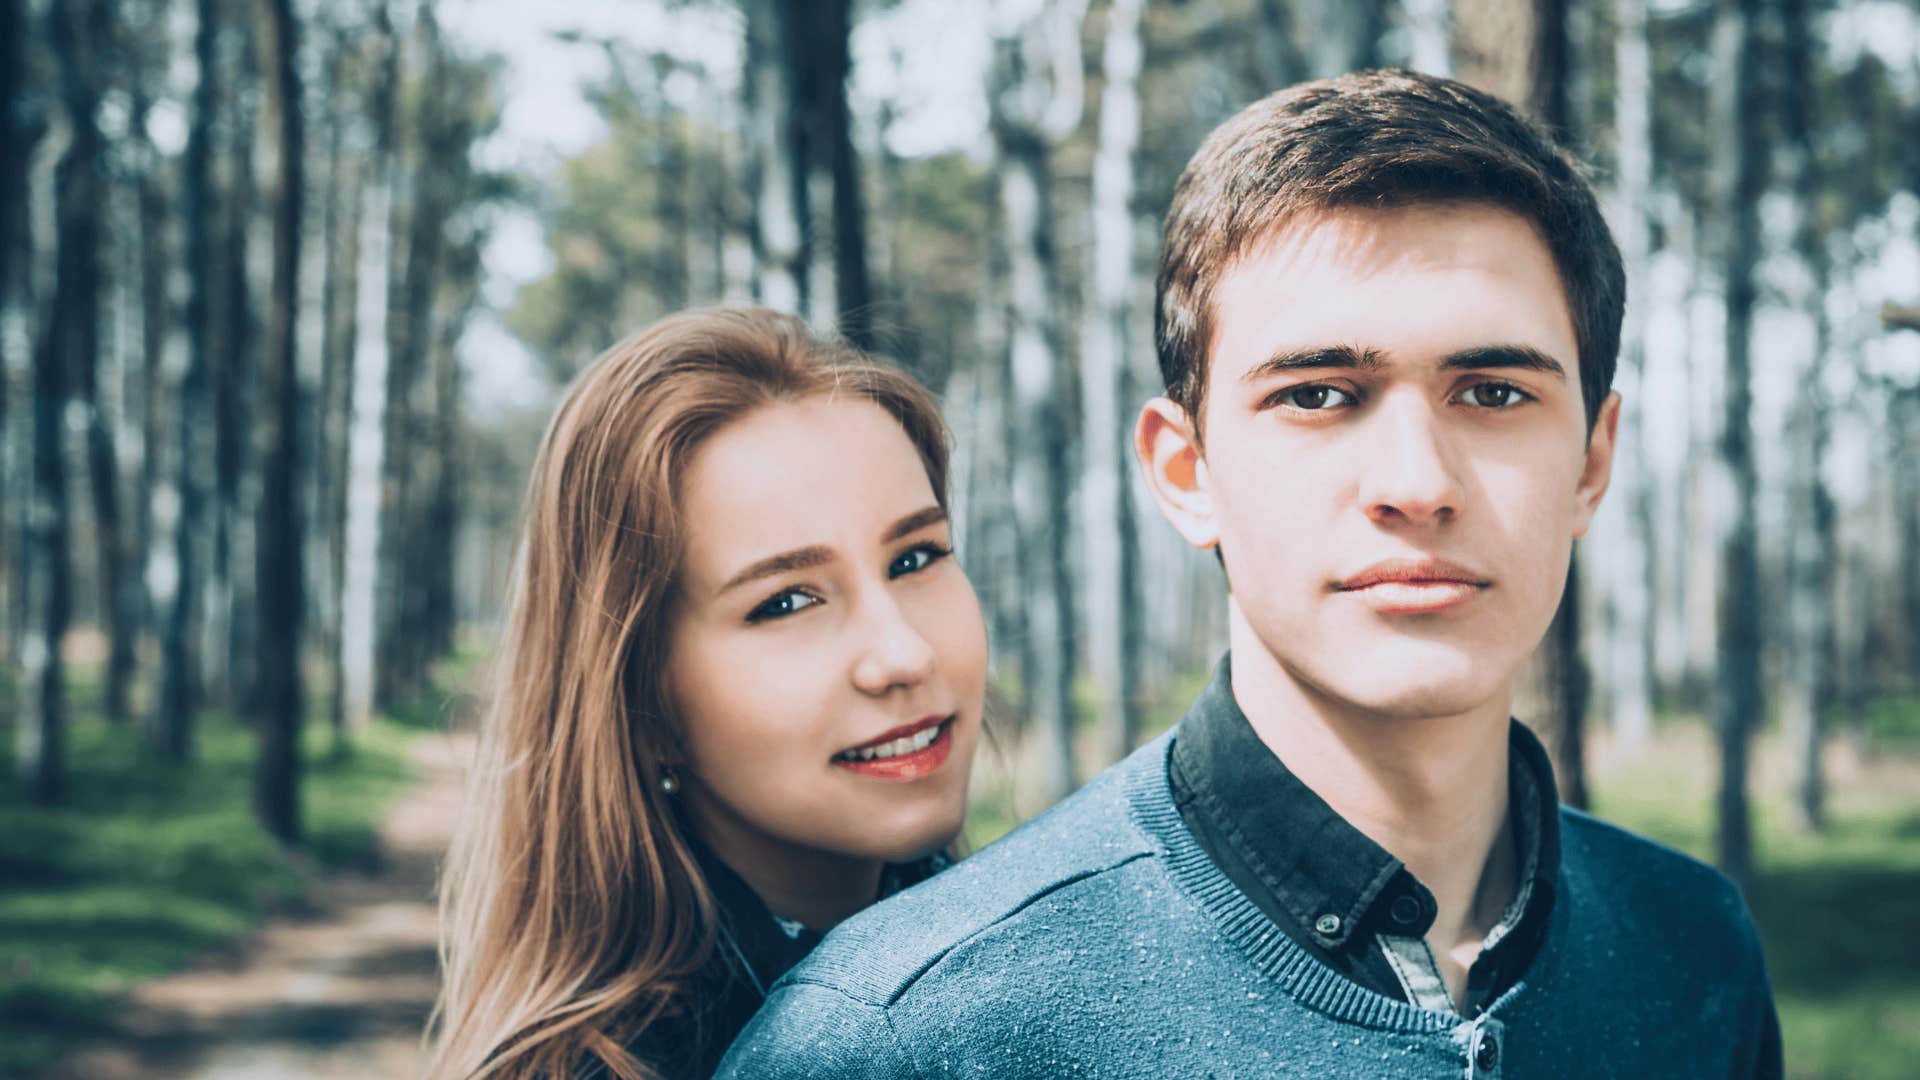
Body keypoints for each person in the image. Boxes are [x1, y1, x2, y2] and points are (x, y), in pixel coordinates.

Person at [717, 69, 1782, 1078]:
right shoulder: (912, 1033)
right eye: (1319, 395)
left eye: (1494, 393)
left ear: (1592, 464)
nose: (1418, 484)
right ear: (1186, 473)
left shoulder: (1690, 946)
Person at [426, 308, 989, 1080]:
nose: (904, 653)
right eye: (788, 600)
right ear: (641, 705)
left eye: (916, 556)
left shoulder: (1014, 956)